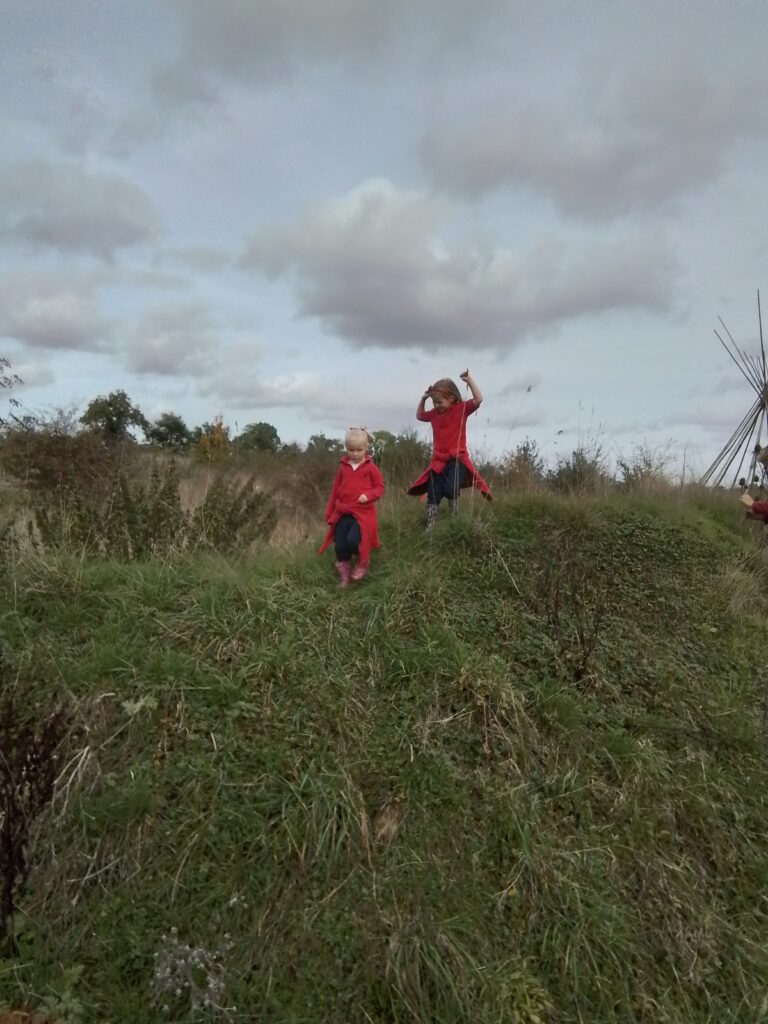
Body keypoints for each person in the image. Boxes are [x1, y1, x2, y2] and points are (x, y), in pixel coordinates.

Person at [407, 369, 491, 529]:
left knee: (451, 489)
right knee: (433, 492)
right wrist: (423, 399)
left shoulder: (461, 410)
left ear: (451, 398)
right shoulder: (434, 415)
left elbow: (478, 399)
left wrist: (469, 381)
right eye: (434, 403)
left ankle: (455, 518)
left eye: (439, 402)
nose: (436, 406)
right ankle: (430, 526)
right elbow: (419, 415)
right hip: (438, 461)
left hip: (456, 460)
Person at [318, 426, 384, 586]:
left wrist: (367, 495)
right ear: (346, 448)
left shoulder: (370, 468)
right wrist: (329, 511)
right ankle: (344, 572)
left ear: (366, 448)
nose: (354, 453)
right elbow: (335, 490)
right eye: (351, 449)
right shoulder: (343, 467)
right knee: (340, 544)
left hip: (362, 513)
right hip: (342, 512)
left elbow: (380, 488)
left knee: (354, 541)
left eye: (359, 450)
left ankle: (362, 561)